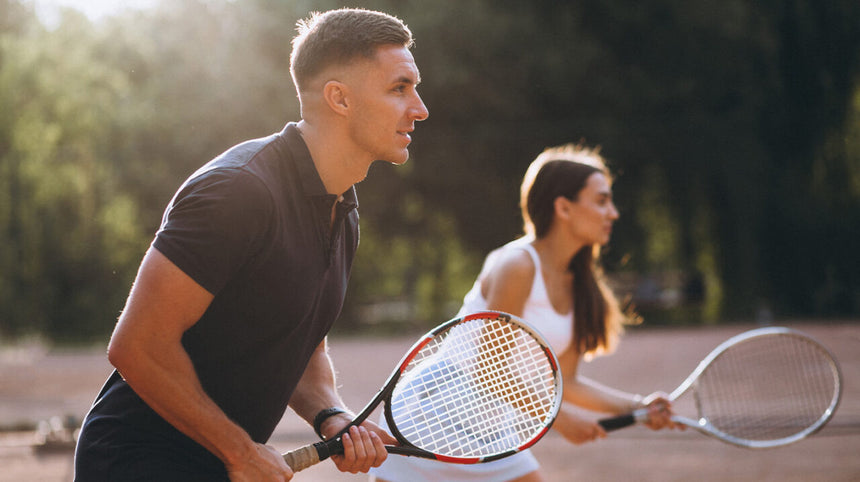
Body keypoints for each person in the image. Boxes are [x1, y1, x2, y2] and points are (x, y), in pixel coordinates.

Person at [74, 8, 429, 481]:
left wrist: (331, 415)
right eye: (399, 88)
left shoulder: (341, 206)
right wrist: (240, 451)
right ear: (339, 98)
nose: (419, 108)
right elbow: (138, 346)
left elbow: (302, 341)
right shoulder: (238, 191)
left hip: (219, 465)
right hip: (136, 463)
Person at [370, 144, 681, 482]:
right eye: (602, 201)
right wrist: (561, 420)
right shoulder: (516, 264)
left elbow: (568, 382)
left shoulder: (581, 286)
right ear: (563, 207)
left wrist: (638, 406)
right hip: (430, 415)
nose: (614, 213)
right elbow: (489, 371)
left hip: (491, 431)